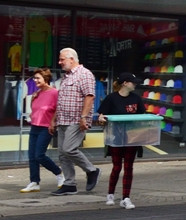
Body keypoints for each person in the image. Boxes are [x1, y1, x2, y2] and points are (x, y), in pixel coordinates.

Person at [52, 48, 100, 196]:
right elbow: (61, 101)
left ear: (72, 59)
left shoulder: (84, 74)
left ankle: (91, 170)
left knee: (69, 149)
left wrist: (83, 117)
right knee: (62, 154)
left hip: (76, 119)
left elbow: (90, 96)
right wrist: (53, 120)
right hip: (63, 119)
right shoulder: (66, 76)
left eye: (62, 59)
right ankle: (69, 184)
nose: (59, 62)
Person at [96, 72, 146, 209]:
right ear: (125, 83)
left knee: (129, 167)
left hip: (132, 137)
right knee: (117, 167)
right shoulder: (111, 98)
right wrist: (101, 119)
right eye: (133, 82)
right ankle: (110, 194)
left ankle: (126, 197)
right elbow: (101, 116)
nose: (135, 84)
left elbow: (142, 117)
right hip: (116, 138)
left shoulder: (136, 98)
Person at [19, 68, 65, 193]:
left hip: (46, 127)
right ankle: (34, 182)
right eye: (34, 78)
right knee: (32, 156)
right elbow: (35, 110)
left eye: (38, 78)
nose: (35, 80)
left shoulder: (55, 93)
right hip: (35, 126)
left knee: (39, 155)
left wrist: (52, 122)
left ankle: (59, 173)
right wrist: (33, 99)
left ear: (46, 79)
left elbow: (58, 108)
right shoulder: (37, 93)